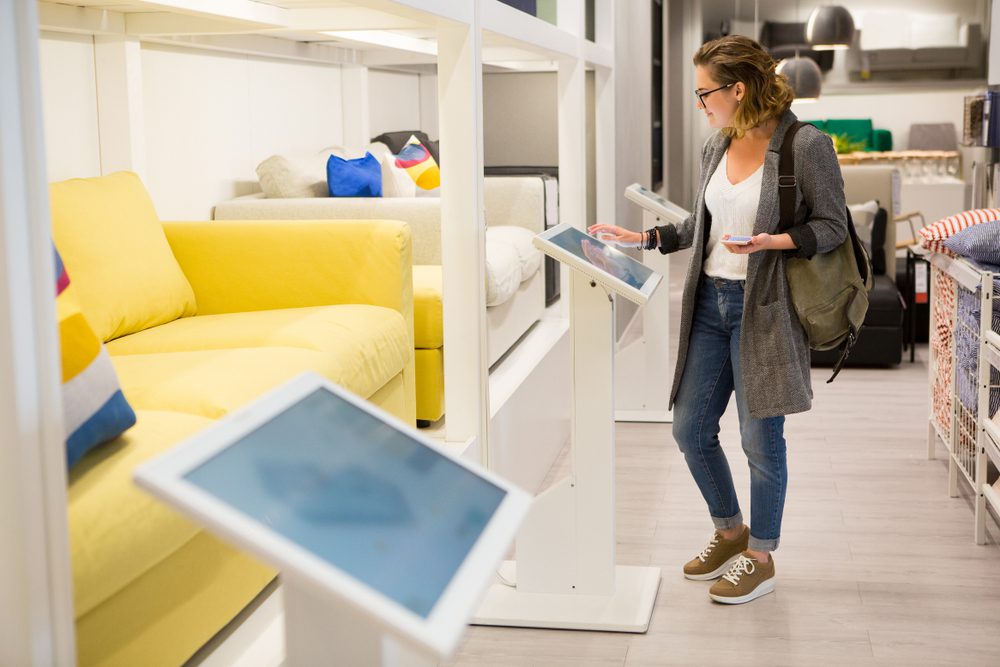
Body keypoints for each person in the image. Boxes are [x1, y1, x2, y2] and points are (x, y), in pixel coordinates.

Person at [589, 35, 847, 605]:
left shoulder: (806, 146)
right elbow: (705, 225)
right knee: (689, 428)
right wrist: (648, 237)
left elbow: (832, 226)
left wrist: (773, 241)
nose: (699, 102)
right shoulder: (717, 145)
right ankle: (730, 531)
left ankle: (761, 555)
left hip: (766, 309)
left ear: (739, 88)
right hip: (708, 304)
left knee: (760, 437)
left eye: (704, 91)